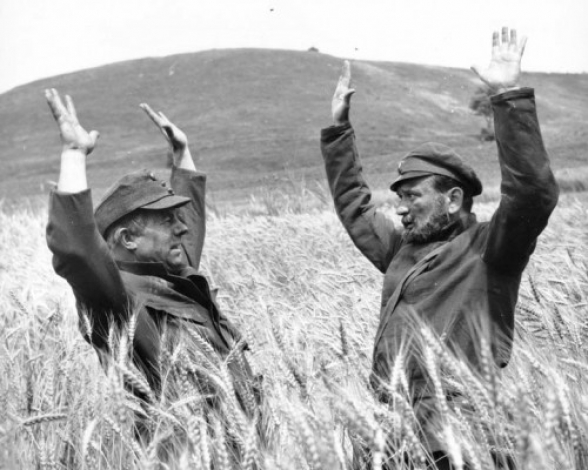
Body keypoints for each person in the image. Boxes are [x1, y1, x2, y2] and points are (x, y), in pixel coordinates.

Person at [320, 28, 559, 469]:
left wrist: (507, 96)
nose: (401, 208)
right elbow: (355, 206)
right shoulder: (401, 250)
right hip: (392, 436)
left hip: (455, 440)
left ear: (452, 200)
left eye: (412, 196)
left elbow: (532, 195)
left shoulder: (490, 251)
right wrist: (339, 131)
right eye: (399, 197)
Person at [45, 90, 261, 459]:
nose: (181, 228)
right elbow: (78, 251)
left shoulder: (173, 279)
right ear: (128, 239)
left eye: (178, 218)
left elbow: (189, 228)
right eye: (166, 220)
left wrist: (182, 154)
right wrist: (74, 154)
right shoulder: (120, 303)